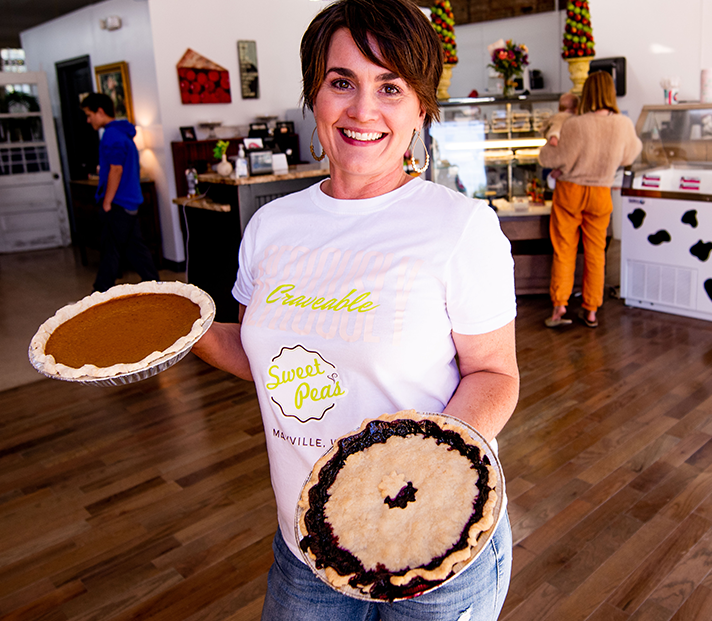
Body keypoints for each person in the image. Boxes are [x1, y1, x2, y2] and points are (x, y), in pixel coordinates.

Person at [191, 1, 519, 619]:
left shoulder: (460, 227)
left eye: (390, 87)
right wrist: (181, 330)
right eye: (342, 82)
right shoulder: (270, 226)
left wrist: (418, 470)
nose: (363, 110)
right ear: (314, 97)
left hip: (436, 541)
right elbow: (265, 355)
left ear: (422, 106)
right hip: (307, 540)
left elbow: (495, 374)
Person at [539, 71, 641, 329]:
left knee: (564, 248)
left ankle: (560, 305)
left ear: (588, 92)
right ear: (611, 92)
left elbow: (549, 158)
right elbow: (630, 156)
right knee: (596, 252)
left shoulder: (576, 124)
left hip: (571, 190)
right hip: (601, 192)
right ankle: (592, 309)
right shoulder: (623, 124)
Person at [80, 92, 159, 292]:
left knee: (111, 249)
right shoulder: (123, 133)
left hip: (119, 202)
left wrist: (107, 202)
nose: (88, 120)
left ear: (100, 111)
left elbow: (117, 169)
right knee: (135, 249)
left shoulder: (112, 135)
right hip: (130, 201)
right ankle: (157, 285)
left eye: (89, 115)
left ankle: (98, 294)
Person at [542, 91, 579, 189]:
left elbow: (553, 134)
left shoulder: (557, 118)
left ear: (558, 108)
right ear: (576, 109)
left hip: (561, 173)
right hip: (575, 176)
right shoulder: (577, 122)